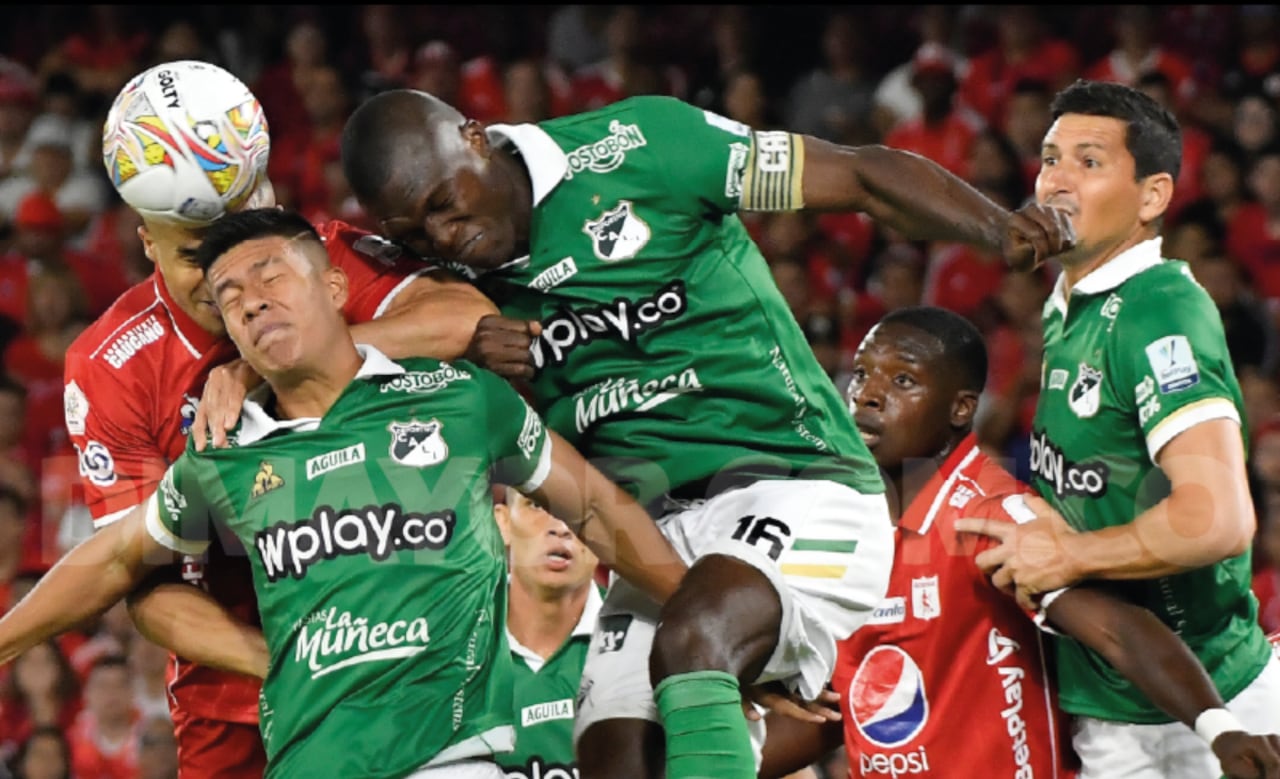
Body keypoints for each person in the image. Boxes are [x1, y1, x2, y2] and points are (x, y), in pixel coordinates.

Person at [338, 88, 1073, 779]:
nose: (444, 236)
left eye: (443, 203)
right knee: (615, 755)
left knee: (696, 636)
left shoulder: (643, 146)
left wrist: (994, 224)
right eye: (417, 233)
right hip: (650, 535)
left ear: (474, 136)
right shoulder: (452, 288)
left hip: (797, 480)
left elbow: (857, 177)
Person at [5, 207, 687, 779]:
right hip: (308, 760)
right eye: (232, 298)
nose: (252, 300)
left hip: (454, 755)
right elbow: (116, 560)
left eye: (271, 275)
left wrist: (699, 619)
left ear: (335, 287)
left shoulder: (460, 398)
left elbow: (597, 507)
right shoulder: (223, 456)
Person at [64, 61, 499, 778]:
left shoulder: (315, 259)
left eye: (232, 235)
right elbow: (141, 583)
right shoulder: (110, 364)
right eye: (188, 253)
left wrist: (275, 362)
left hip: (414, 655)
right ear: (145, 241)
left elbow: (463, 316)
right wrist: (286, 660)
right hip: (237, 703)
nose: (220, 273)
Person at [757, 305, 1280, 779]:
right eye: (865, 373)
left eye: (902, 380)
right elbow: (841, 707)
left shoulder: (990, 517)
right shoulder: (841, 521)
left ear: (961, 409)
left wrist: (1220, 730)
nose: (868, 394)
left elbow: (1119, 628)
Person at [957, 79, 1280, 776]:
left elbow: (1219, 519)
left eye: (1089, 161)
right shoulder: (1068, 298)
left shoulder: (1158, 311)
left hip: (1204, 710)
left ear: (1154, 196)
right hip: (1112, 703)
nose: (1056, 182)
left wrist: (1069, 556)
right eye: (1049, 159)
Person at [493, 486, 601, 779]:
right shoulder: (454, 643)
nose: (561, 527)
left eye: (578, 509)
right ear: (502, 522)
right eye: (537, 506)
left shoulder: (645, 641)